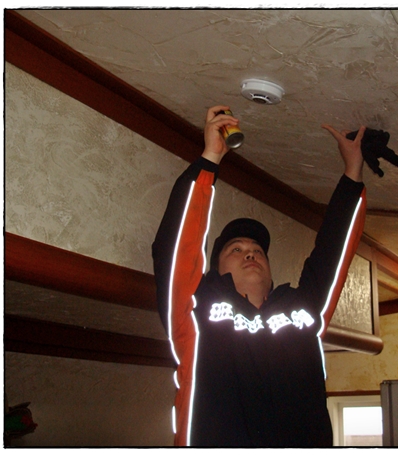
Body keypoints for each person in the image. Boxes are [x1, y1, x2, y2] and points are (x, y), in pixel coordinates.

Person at [152, 105, 367, 447]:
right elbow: (176, 247)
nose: (250, 253)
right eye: (235, 249)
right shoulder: (195, 310)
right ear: (214, 270)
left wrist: (352, 171)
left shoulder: (302, 312)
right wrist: (210, 158)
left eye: (257, 250)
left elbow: (332, 255)